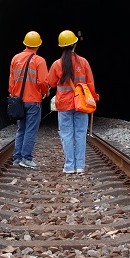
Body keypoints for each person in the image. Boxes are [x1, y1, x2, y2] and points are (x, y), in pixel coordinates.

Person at [48, 30, 98, 174]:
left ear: (61, 47)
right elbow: (90, 83)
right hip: (81, 104)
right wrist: (93, 99)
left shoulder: (57, 64)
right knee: (81, 134)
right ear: (75, 44)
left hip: (64, 104)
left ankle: (69, 166)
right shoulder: (84, 62)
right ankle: (80, 166)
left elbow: (50, 82)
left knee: (67, 134)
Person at [9, 31, 49, 169]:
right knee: (30, 130)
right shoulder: (39, 61)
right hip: (33, 101)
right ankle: (26, 158)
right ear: (38, 45)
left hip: (19, 101)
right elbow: (43, 81)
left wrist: (15, 98)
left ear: (25, 44)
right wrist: (45, 92)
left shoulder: (15, 59)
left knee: (21, 129)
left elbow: (11, 83)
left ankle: (17, 158)